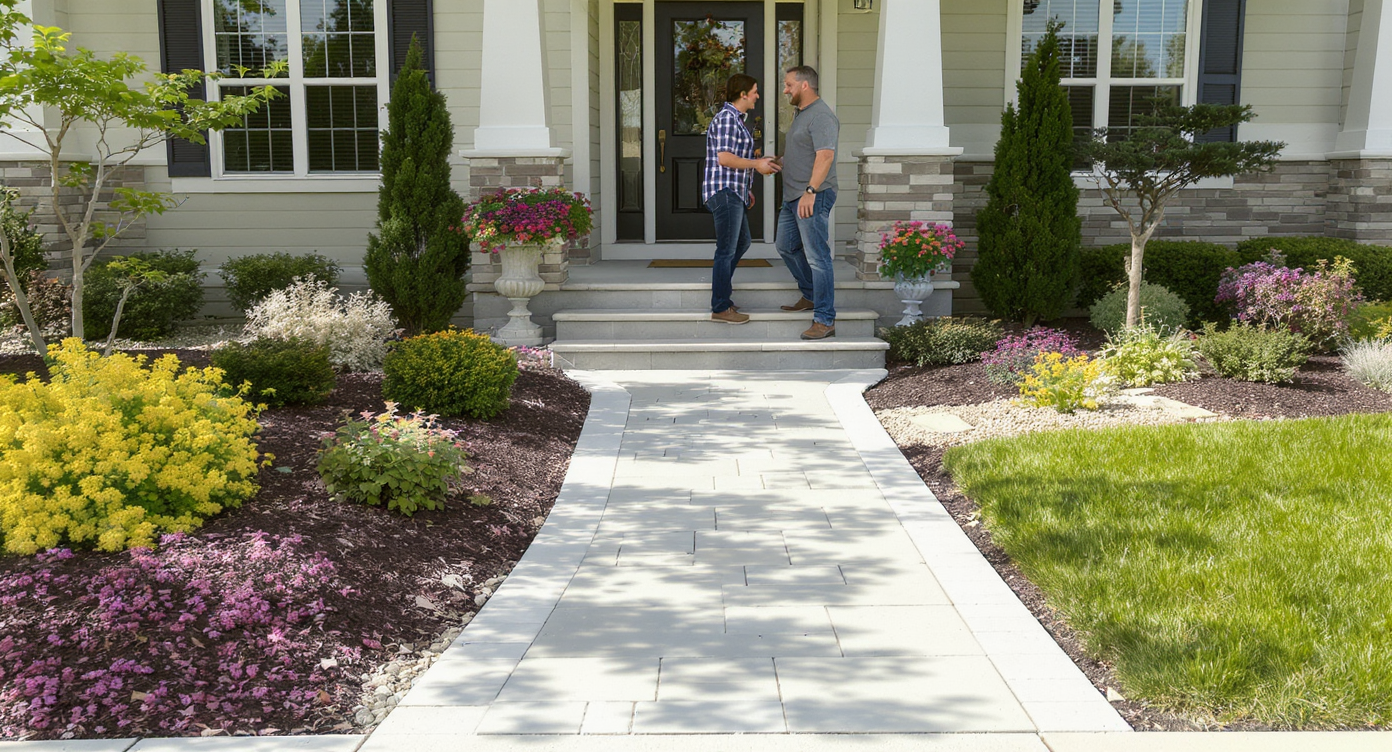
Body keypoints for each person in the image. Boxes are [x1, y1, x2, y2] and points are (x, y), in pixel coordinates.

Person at [702, 73, 780, 325]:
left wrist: (748, 185)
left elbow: (735, 158)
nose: (758, 95)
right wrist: (757, 164)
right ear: (743, 94)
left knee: (741, 242)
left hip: (734, 191)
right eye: (755, 91)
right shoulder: (726, 119)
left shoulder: (737, 120)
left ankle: (723, 294)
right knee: (726, 250)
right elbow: (724, 158)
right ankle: (720, 306)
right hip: (724, 192)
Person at [775, 65, 840, 340]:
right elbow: (806, 153)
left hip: (812, 195)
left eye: (789, 84)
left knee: (817, 257)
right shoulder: (802, 115)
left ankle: (825, 320)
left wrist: (811, 191)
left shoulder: (822, 116)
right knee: (786, 246)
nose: (785, 89)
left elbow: (825, 156)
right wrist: (777, 162)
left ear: (804, 85)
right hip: (793, 195)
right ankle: (811, 294)